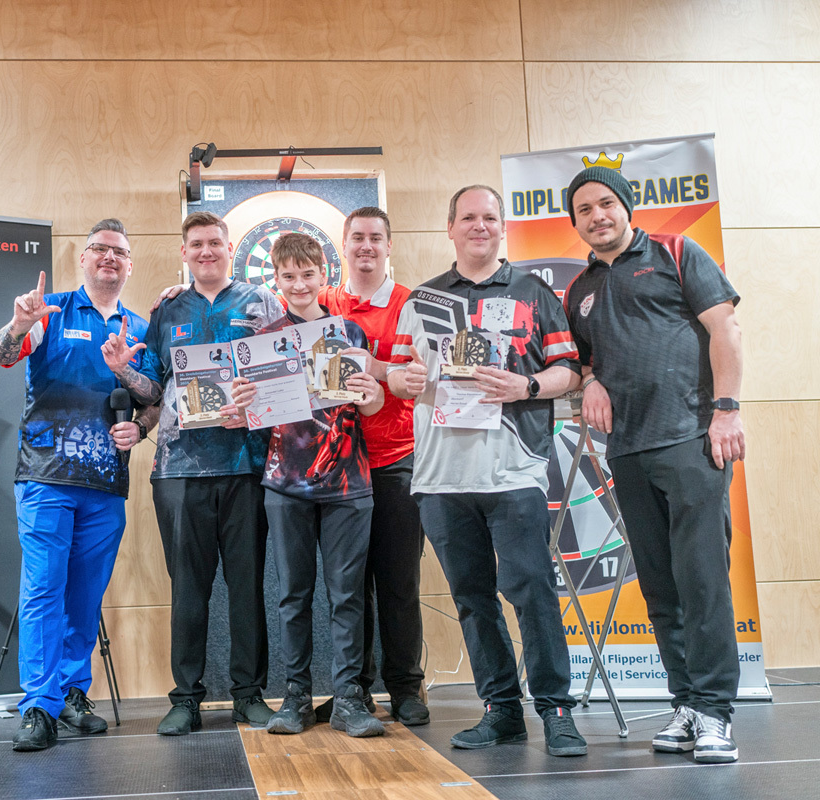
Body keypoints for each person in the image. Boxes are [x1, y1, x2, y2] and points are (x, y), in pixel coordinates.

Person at [387, 185, 588, 757]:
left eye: (490, 218)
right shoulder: (421, 299)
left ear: (503, 227)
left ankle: (555, 711)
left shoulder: (533, 292)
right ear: (450, 227)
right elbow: (400, 376)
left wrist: (527, 385)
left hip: (513, 471)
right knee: (473, 598)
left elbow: (569, 372)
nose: (480, 226)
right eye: (469, 217)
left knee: (532, 591)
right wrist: (402, 380)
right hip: (440, 477)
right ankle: (502, 711)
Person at [563, 165, 745, 764]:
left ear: (626, 206)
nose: (597, 216)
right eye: (584, 209)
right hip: (628, 450)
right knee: (661, 587)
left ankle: (716, 712)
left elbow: (725, 328)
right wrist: (590, 380)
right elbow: (584, 361)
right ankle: (686, 703)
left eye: (606, 203)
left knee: (702, 580)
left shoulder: (677, 251)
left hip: (692, 440)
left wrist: (726, 411)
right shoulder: (579, 290)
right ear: (575, 222)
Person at [101, 211, 284, 735]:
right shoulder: (167, 309)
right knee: (188, 589)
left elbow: (283, 376)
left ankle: (249, 694)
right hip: (179, 470)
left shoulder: (261, 302)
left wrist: (256, 407)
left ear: (230, 248)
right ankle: (185, 699)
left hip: (247, 466)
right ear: (184, 252)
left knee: (247, 587)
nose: (206, 251)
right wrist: (122, 370)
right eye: (196, 244)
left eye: (214, 243)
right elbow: (155, 390)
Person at [0, 219, 158, 752]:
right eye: (99, 249)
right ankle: (38, 705)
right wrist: (19, 325)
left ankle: (70, 693)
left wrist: (137, 422)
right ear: (83, 258)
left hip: (106, 484)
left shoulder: (139, 327)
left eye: (119, 252)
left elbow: (153, 396)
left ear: (130, 265)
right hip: (46, 478)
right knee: (43, 589)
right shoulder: (50, 311)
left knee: (85, 595)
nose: (109, 257)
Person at [231, 232, 385, 737]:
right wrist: (243, 404)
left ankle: (349, 698)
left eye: (307, 274)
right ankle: (295, 696)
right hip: (285, 482)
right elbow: (252, 418)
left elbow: (372, 406)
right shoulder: (261, 341)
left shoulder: (350, 333)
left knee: (347, 595)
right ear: (276, 280)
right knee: (293, 596)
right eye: (289, 276)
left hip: (348, 482)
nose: (299, 284)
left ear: (324, 275)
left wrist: (369, 393)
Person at [315, 207, 428, 726]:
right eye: (357, 237)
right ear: (343, 245)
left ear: (388, 245)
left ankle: (406, 687)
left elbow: (417, 380)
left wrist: (375, 369)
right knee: (349, 587)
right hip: (338, 466)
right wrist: (178, 290)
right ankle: (354, 690)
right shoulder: (324, 301)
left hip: (394, 459)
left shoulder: (411, 304)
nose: (366, 246)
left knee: (399, 582)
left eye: (375, 238)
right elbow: (268, 313)